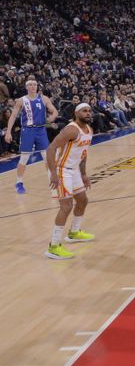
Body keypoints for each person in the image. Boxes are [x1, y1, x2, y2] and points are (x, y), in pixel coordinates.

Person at [44, 103, 94, 260]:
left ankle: (73, 233)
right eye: (84, 111)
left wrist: (84, 174)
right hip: (61, 169)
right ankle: (53, 246)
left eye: (89, 111)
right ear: (76, 113)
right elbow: (51, 149)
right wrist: (53, 173)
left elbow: (83, 154)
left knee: (83, 200)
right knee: (66, 206)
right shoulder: (71, 130)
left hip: (74, 171)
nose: (88, 113)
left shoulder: (89, 130)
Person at [4, 79, 58, 193]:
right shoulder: (21, 100)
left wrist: (50, 119)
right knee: (24, 158)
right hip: (27, 130)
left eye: (35, 84)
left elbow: (54, 112)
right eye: (30, 85)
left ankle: (52, 180)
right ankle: (19, 182)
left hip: (41, 130)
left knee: (47, 157)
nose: (33, 86)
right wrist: (8, 131)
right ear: (26, 87)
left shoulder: (44, 98)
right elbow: (13, 116)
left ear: (37, 86)